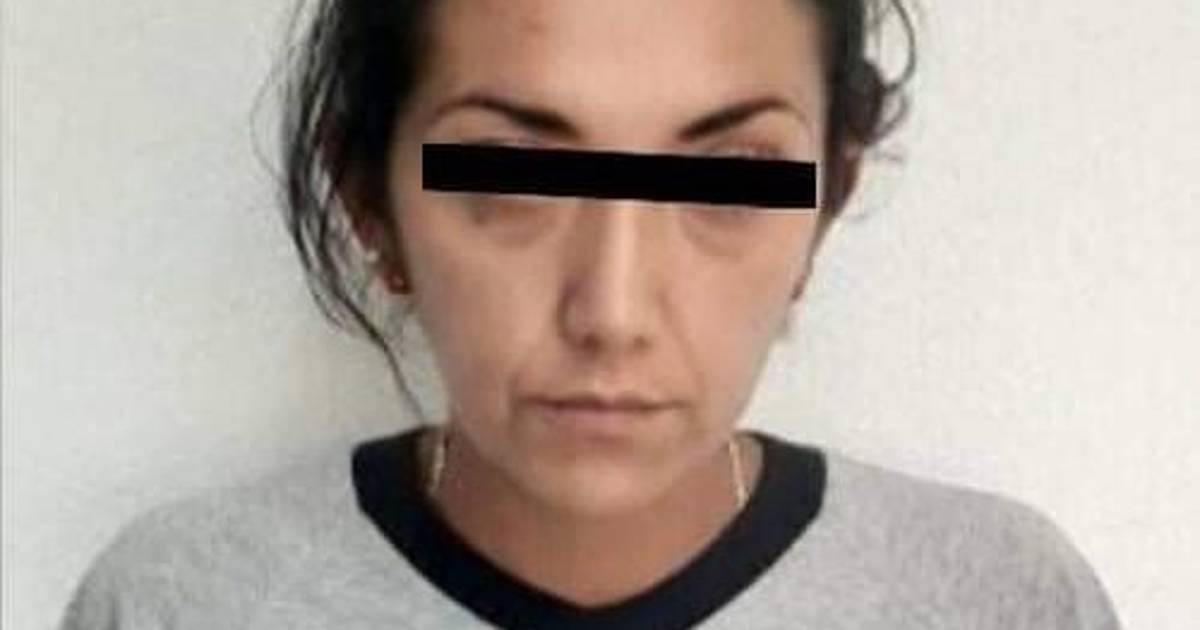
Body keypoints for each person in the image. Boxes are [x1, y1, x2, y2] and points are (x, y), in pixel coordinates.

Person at [61, 0, 1122, 628]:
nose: (612, 312)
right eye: (511, 172)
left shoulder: (999, 601)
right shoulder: (181, 603)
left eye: (728, 178)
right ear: (371, 204)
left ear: (825, 205)